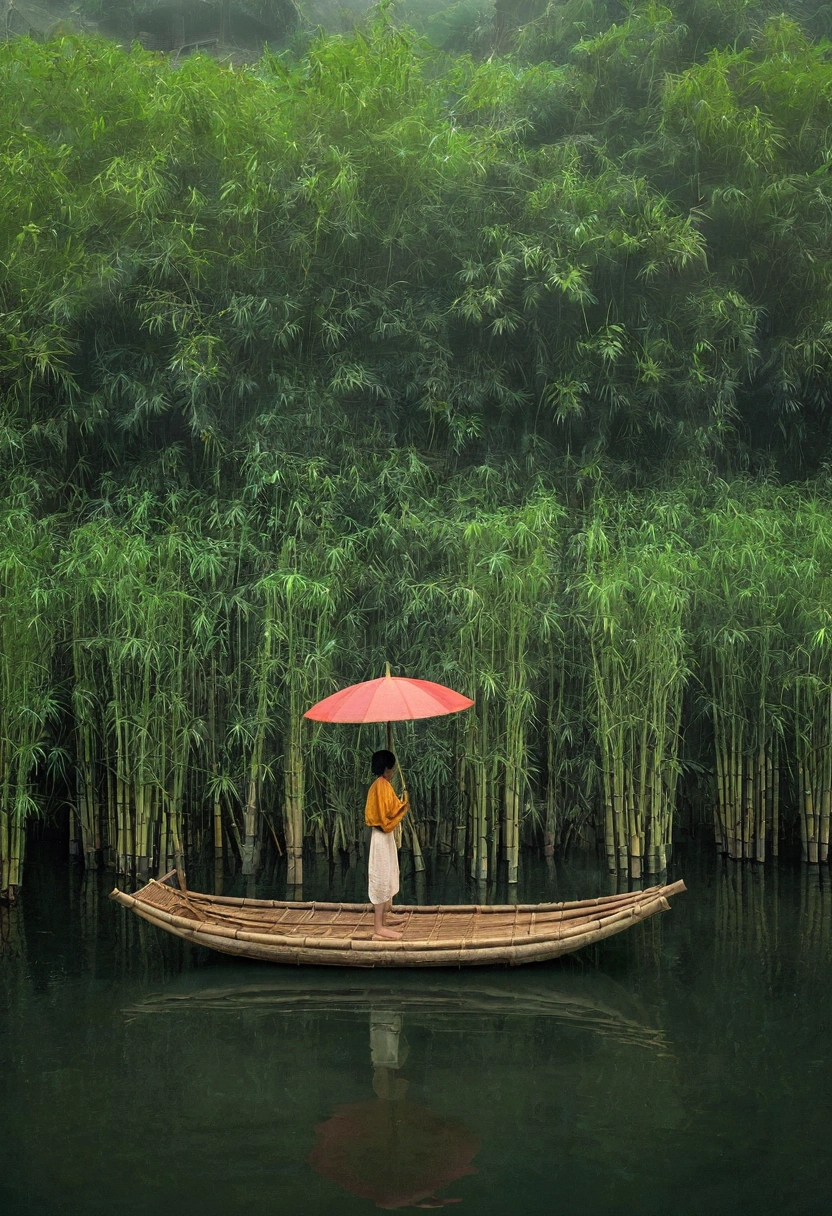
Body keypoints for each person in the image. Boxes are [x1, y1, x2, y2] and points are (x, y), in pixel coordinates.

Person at [365, 749, 408, 940]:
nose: (393, 773)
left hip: (384, 837)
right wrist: (403, 804)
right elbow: (386, 816)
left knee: (389, 871)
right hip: (381, 836)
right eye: (391, 770)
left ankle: (385, 916)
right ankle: (378, 927)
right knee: (381, 877)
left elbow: (389, 806)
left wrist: (399, 801)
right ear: (385, 769)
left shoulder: (383, 784)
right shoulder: (380, 786)